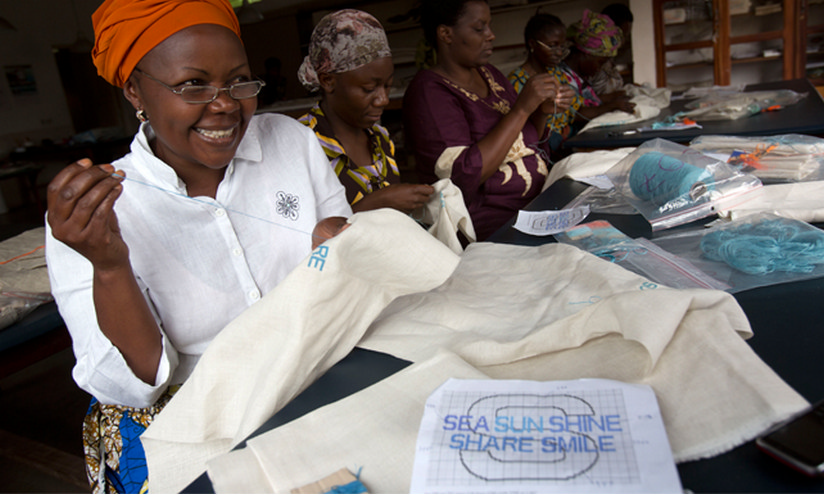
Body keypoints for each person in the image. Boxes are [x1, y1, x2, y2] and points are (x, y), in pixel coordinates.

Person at [44, 0, 351, 492]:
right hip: (185, 419)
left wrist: (335, 246)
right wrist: (108, 266)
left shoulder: (290, 142)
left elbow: (348, 263)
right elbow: (137, 386)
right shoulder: (101, 213)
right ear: (134, 89)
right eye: (193, 84)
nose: (226, 103)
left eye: (239, 81)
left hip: (306, 375)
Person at [403, 0, 568, 241]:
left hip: (536, 202)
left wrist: (540, 111)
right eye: (479, 29)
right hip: (492, 222)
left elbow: (530, 143)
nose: (491, 36)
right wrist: (522, 109)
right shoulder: (429, 92)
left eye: (489, 27)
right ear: (445, 34)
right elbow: (461, 177)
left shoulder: (491, 74)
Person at [297, 10, 434, 214]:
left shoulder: (381, 139)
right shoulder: (300, 144)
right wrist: (376, 203)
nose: (383, 99)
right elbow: (300, 232)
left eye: (387, 86)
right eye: (369, 89)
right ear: (328, 81)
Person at [508, 12, 634, 144]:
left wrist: (613, 105)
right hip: (539, 146)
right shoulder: (516, 82)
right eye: (552, 45)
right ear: (533, 44)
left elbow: (577, 111)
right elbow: (520, 131)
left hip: (564, 140)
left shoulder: (556, 73)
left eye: (561, 46)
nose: (559, 53)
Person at [593, 3, 634, 95]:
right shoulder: (593, 62)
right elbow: (587, 100)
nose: (623, 42)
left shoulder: (609, 60)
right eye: (621, 36)